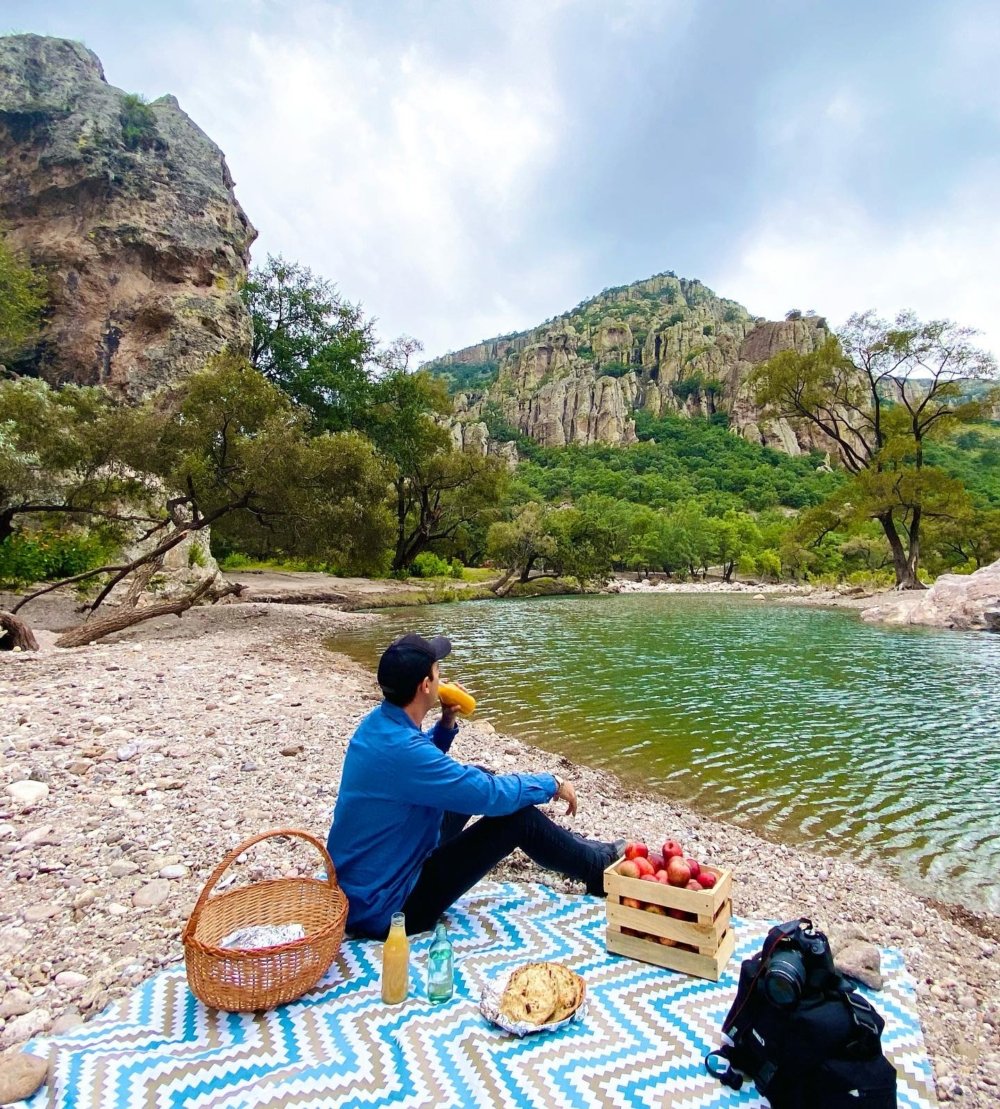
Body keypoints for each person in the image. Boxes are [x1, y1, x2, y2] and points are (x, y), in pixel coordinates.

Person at [327, 632, 624, 937]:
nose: (443, 678)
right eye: (437, 670)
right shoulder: (404, 750)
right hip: (390, 910)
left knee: (480, 774)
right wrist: (551, 782)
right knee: (517, 819)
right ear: (426, 685)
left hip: (365, 888)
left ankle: (585, 849)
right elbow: (486, 794)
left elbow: (413, 771)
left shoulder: (378, 725)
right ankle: (596, 869)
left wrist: (445, 726)